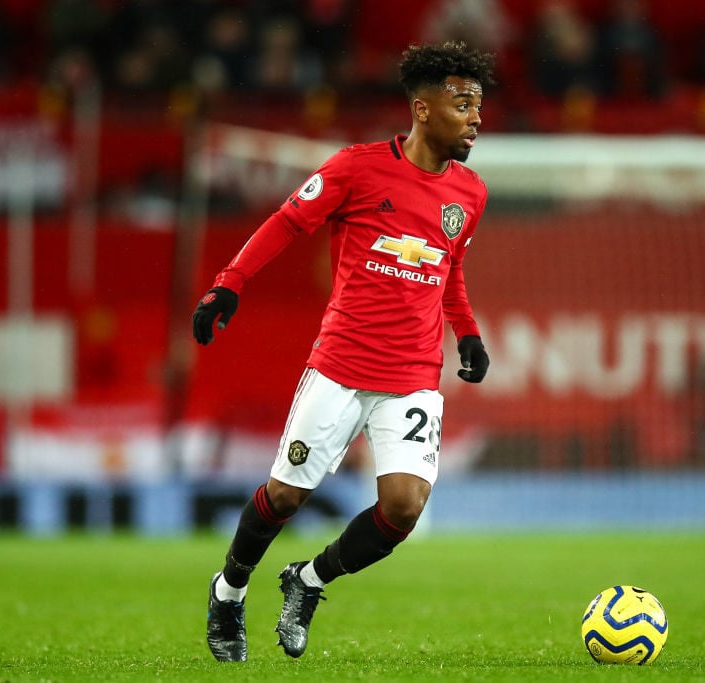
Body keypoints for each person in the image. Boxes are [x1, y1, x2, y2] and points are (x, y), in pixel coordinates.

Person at [192, 41, 495, 662]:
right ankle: (229, 590)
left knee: (404, 508)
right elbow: (284, 221)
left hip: (412, 375)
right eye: (462, 104)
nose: (475, 117)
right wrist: (229, 283)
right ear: (421, 108)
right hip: (341, 367)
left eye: (479, 105)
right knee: (284, 497)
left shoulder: (469, 193)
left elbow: (448, 267)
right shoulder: (356, 169)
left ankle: (308, 581)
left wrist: (466, 331)